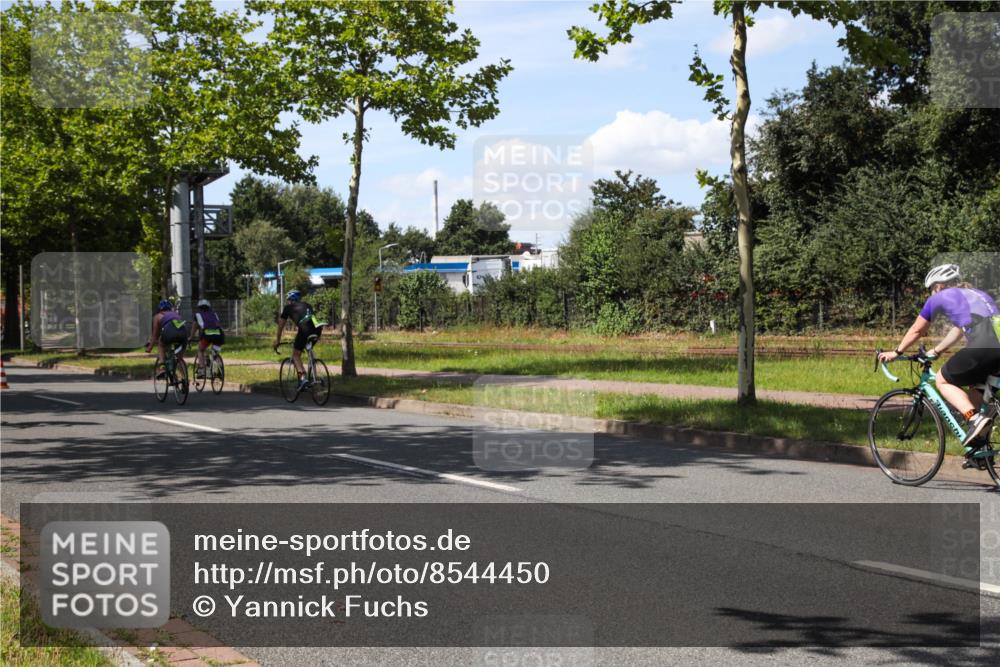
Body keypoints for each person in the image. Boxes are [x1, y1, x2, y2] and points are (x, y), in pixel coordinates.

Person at [879, 264, 1000, 449]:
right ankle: (978, 447)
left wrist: (896, 352)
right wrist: (936, 351)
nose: (931, 295)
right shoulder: (977, 294)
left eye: (931, 290)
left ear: (938, 286)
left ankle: (974, 420)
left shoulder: (939, 297)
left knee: (943, 380)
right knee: (976, 388)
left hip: (985, 345)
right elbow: (959, 330)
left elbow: (917, 330)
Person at [273, 290, 325, 391]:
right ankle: (315, 377)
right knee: (309, 348)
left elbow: (280, 326)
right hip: (317, 329)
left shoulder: (288, 308)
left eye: (288, 300)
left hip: (304, 330)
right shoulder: (307, 305)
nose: (288, 302)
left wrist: (277, 341)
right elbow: (311, 319)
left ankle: (303, 378)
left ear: (291, 300)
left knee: (296, 355)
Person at [145, 299, 189, 376]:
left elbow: (155, 335)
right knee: (179, 358)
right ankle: (185, 380)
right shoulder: (176, 314)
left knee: (161, 344)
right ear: (170, 308)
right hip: (183, 332)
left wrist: (150, 347)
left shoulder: (157, 316)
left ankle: (162, 367)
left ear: (159, 308)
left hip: (169, 331)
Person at [190, 299, 225, 379]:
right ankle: (218, 370)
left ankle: (202, 370)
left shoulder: (198, 315)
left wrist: (191, 337)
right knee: (214, 353)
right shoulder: (214, 314)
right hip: (219, 334)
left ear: (199, 308)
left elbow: (194, 327)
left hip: (207, 334)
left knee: (200, 350)